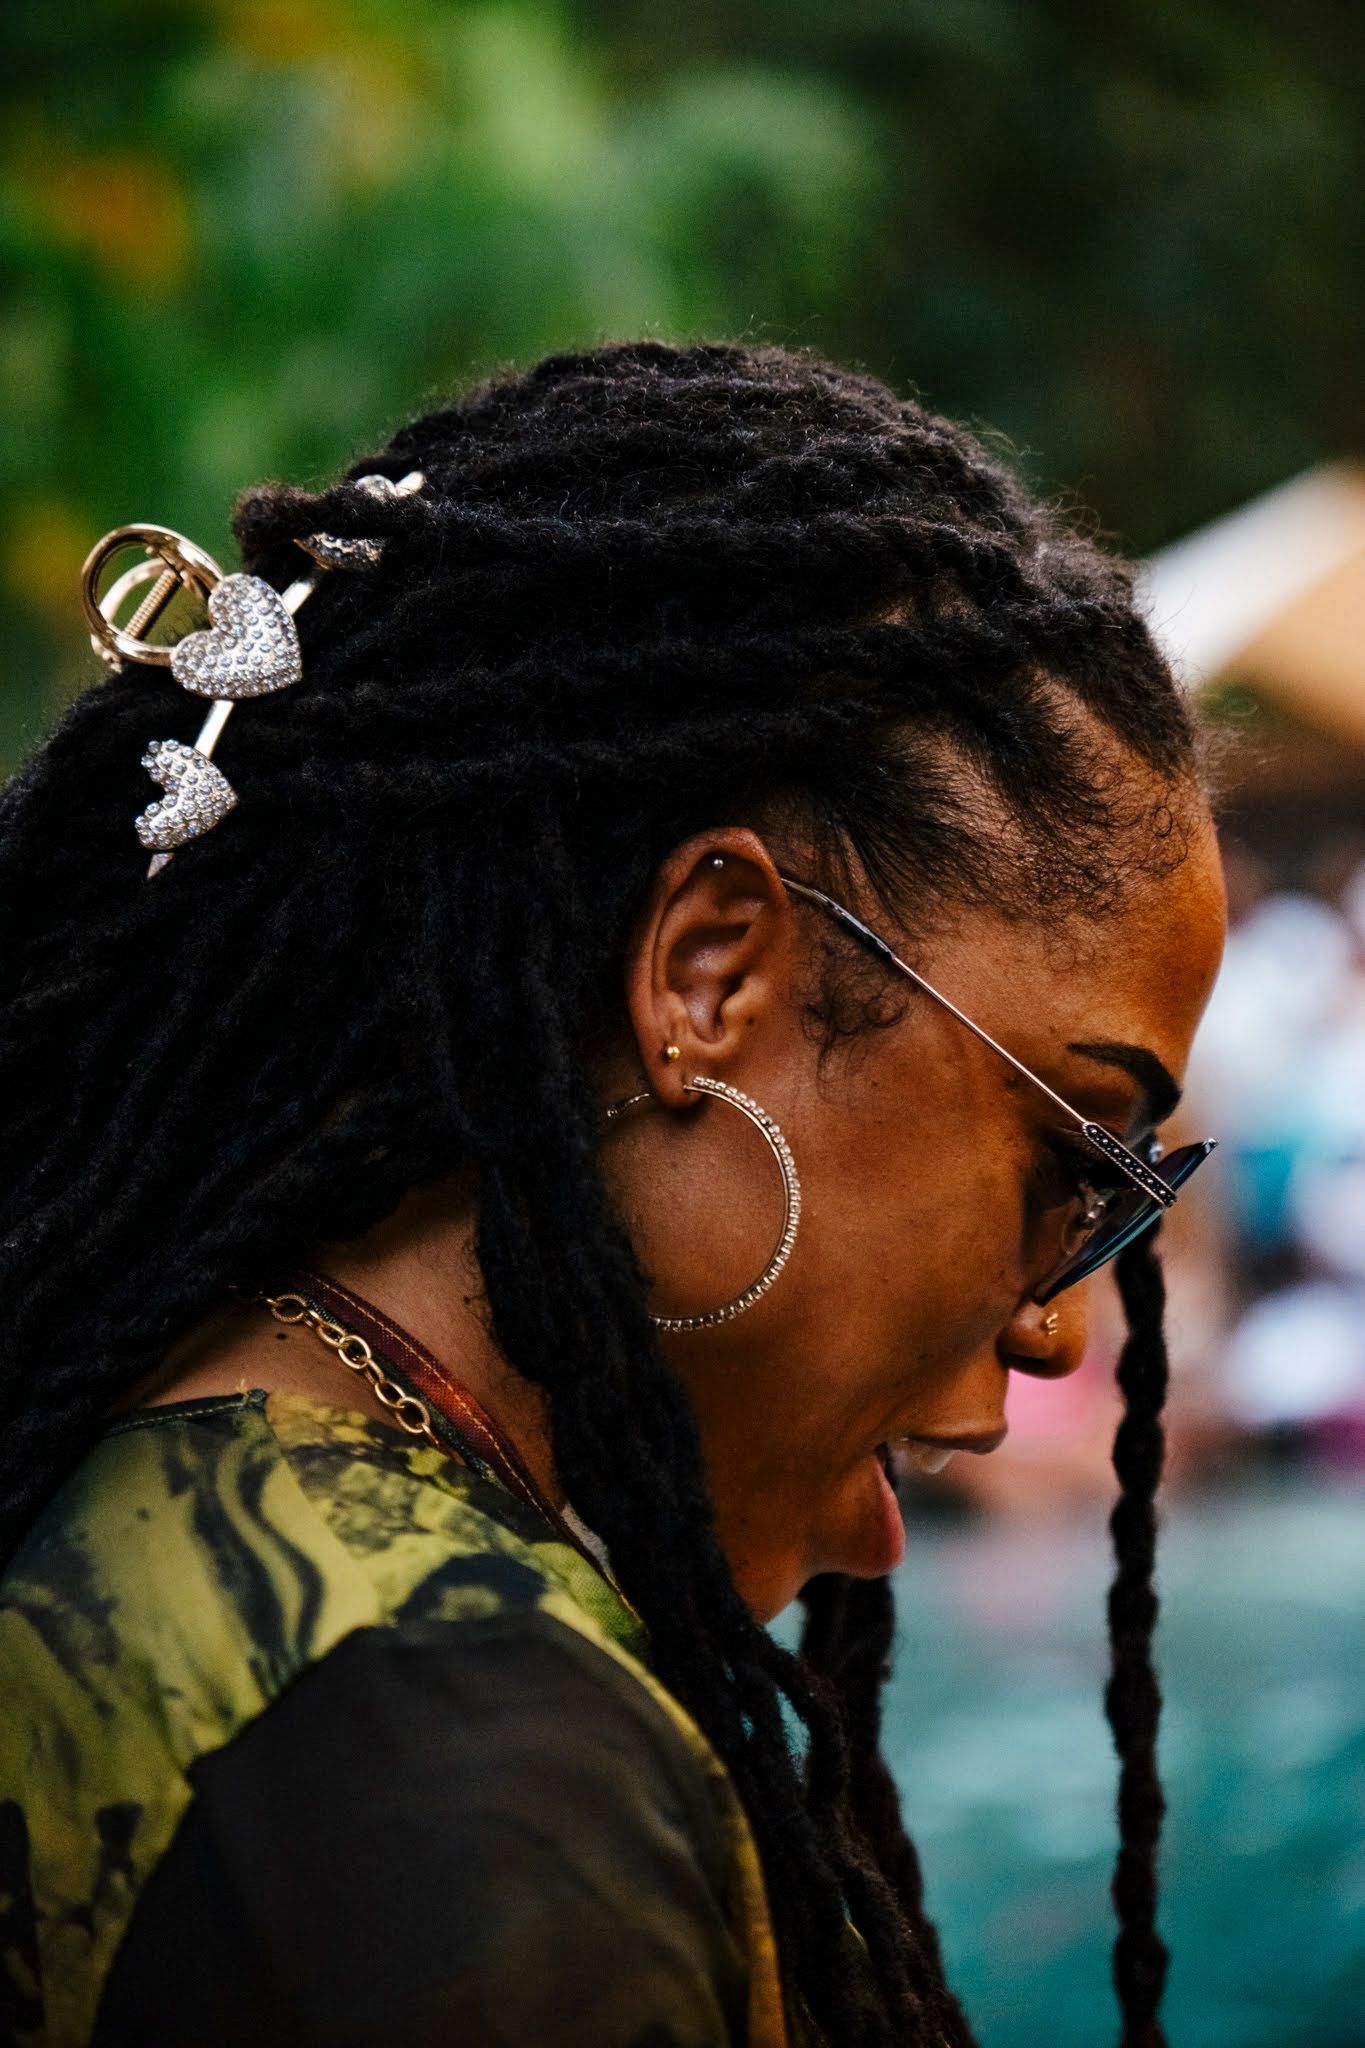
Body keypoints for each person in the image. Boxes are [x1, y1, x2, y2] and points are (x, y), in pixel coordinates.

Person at [0, 341, 1226, 2048]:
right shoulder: (470, 1785)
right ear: (709, 975)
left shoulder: (159, 1482)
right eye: (1072, 1162)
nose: (1058, 1330)